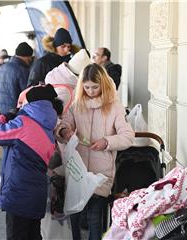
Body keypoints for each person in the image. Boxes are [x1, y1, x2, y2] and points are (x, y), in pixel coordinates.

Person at [55, 63, 134, 240]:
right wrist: (64, 131)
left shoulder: (115, 107)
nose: (90, 91)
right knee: (75, 216)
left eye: (95, 87)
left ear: (103, 85)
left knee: (94, 219)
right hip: (78, 172)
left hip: (101, 173)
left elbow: (128, 136)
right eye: (87, 87)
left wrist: (106, 142)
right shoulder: (76, 106)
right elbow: (63, 126)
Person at [0, 84, 63, 240]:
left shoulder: (23, 123)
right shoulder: (49, 127)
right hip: (37, 193)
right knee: (33, 234)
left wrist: (5, 116)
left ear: (31, 103)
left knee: (17, 235)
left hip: (18, 192)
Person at [0, 42, 33, 114]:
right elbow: (26, 93)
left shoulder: (1, 68)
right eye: (30, 57)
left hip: (1, 109)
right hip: (15, 111)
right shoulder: (22, 70)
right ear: (26, 56)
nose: (30, 59)